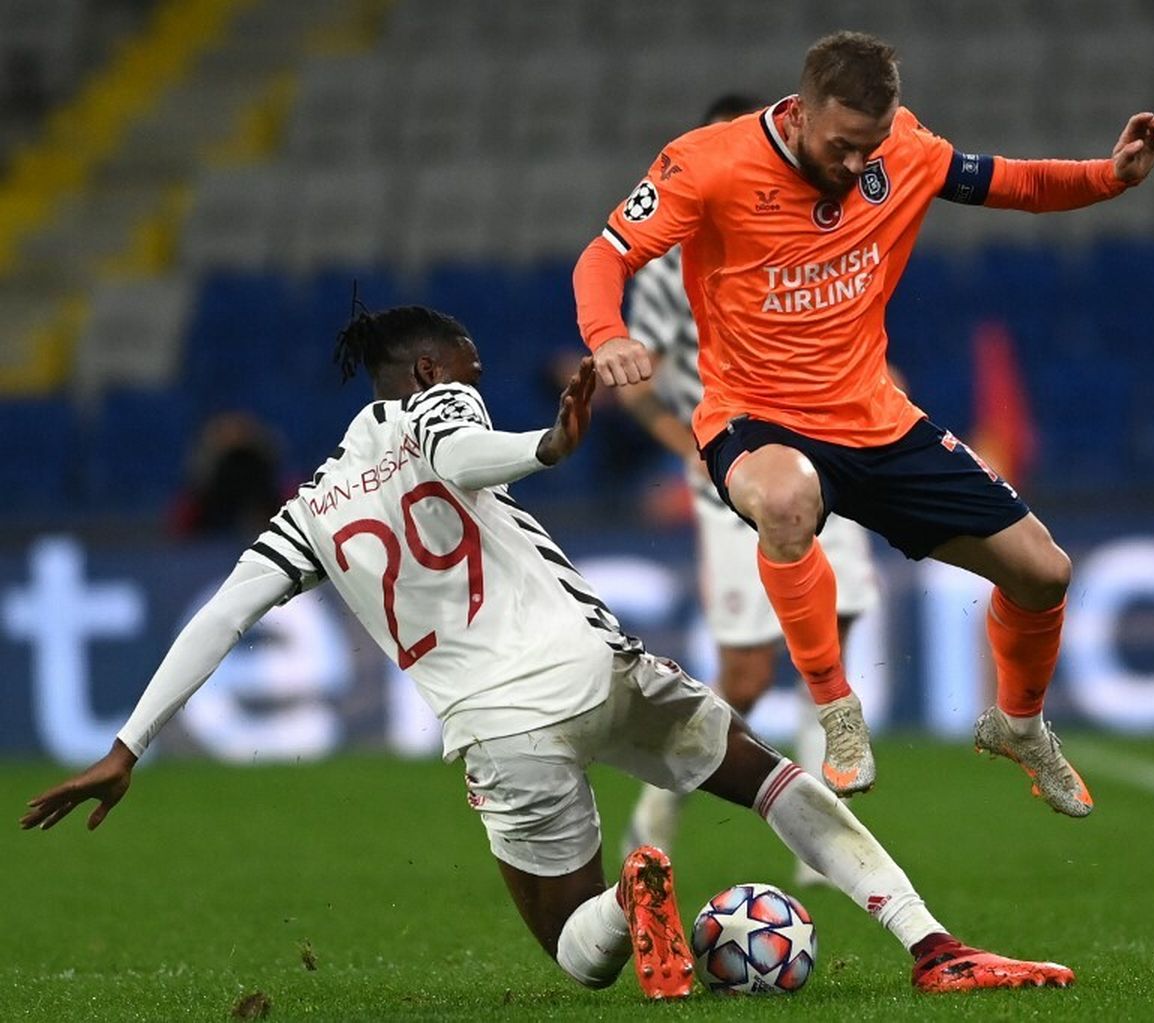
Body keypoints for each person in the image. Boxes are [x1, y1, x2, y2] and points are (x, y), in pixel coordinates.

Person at [20, 306, 1075, 997]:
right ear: (428, 369)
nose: (476, 371)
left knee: (580, 956)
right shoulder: (432, 404)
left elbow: (220, 615)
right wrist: (548, 445)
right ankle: (933, 944)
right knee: (769, 777)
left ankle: (630, 898)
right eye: (469, 362)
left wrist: (127, 745)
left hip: (500, 727)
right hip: (594, 663)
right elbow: (460, 448)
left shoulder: (309, 509)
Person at [573, 31, 1154, 806]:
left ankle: (1019, 724)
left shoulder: (903, 148)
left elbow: (1014, 183)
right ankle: (837, 710)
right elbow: (605, 255)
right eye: (843, 146)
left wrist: (1110, 176)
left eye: (872, 144)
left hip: (875, 420)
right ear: (799, 114)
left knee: (1043, 570)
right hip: (755, 418)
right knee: (784, 500)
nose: (858, 163)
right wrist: (608, 335)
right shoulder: (708, 162)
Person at [617, 92, 877, 873]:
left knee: (832, 643)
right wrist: (687, 446)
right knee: (748, 674)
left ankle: (822, 848)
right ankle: (662, 796)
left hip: (824, 458)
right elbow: (639, 380)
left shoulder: (808, 225)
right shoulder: (666, 264)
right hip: (732, 474)